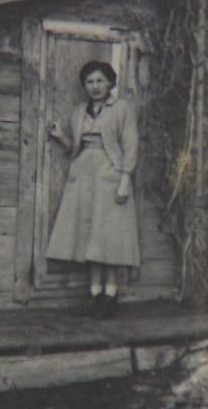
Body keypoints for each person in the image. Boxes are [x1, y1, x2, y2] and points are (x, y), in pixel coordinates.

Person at [45, 60, 140, 319]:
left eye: (99, 81)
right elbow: (76, 146)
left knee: (108, 237)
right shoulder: (78, 111)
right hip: (83, 177)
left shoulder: (122, 108)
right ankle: (94, 293)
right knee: (89, 236)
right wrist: (61, 137)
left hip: (109, 175)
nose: (95, 86)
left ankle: (110, 295)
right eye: (89, 82)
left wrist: (124, 180)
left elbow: (130, 146)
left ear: (110, 82)